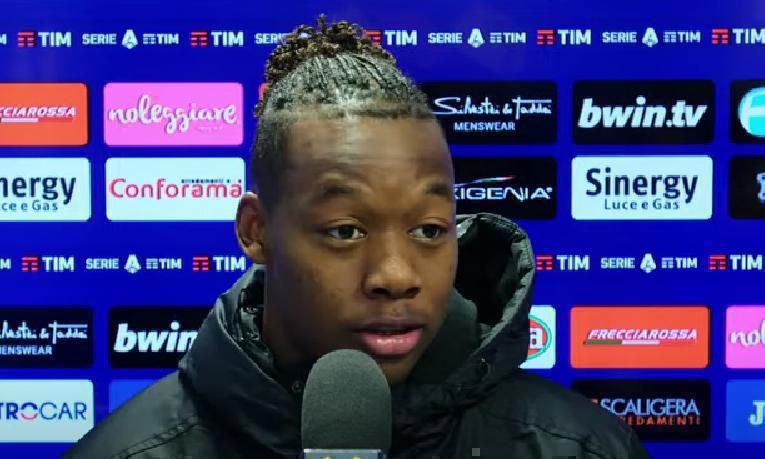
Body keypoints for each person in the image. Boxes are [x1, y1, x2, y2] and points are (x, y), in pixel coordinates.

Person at [65, 15, 649, 459]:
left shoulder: (578, 448)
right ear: (256, 232)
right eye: (345, 231)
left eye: (429, 229)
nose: (396, 276)